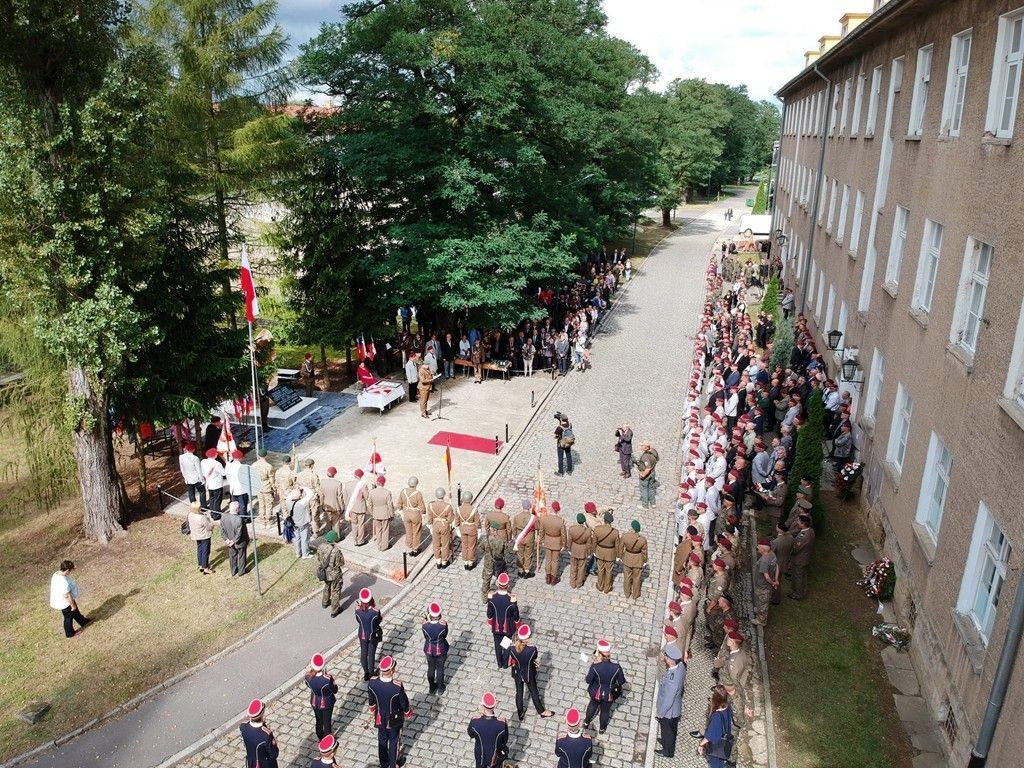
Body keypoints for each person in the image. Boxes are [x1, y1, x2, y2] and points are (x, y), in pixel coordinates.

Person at [367, 655, 412, 768]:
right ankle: (392, 765)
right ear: (392, 671)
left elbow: (371, 701)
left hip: (379, 716)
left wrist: (372, 709)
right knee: (394, 741)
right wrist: (407, 712)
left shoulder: (372, 682)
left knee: (382, 740)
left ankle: (384, 763)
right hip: (394, 718)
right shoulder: (397, 687)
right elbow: (403, 702)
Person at [508, 624, 554, 721]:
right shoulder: (532, 649)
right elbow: (534, 657)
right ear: (527, 638)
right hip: (528, 672)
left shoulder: (512, 648)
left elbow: (510, 655)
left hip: (517, 672)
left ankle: (520, 712)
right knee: (534, 692)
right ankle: (541, 711)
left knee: (519, 692)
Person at [584, 639, 626, 733]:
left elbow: (588, 680)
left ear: (599, 654)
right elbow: (621, 681)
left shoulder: (595, 667)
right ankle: (602, 729)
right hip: (609, 694)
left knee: (592, 706)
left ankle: (586, 723)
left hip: (595, 692)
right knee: (605, 711)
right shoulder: (616, 667)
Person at [655, 643, 686, 757]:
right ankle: (665, 742)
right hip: (674, 708)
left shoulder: (673, 678)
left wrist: (661, 712)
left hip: (669, 711)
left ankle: (667, 752)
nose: (665, 658)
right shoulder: (680, 666)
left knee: (668, 731)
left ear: (671, 661)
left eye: (666, 657)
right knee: (669, 730)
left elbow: (669, 698)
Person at [485, 572, 519, 669]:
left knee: (497, 645)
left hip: (496, 626)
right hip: (508, 627)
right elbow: (516, 616)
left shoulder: (492, 597)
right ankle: (505, 663)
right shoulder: (511, 599)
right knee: (506, 645)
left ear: (497, 584)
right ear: (508, 585)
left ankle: (499, 663)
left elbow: (489, 614)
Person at [467, 691, 509, 768]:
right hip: (495, 755)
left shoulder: (475, 722)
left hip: (481, 754)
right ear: (494, 706)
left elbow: (470, 734)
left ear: (483, 705)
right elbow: (505, 740)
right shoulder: (502, 724)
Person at [50, 560, 89, 638]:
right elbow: (67, 596)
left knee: (75, 612)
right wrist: (72, 605)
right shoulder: (63, 582)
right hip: (64, 602)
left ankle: (83, 621)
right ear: (67, 570)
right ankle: (69, 633)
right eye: (70, 570)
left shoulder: (57, 573)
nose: (70, 572)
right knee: (68, 617)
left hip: (62, 598)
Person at [699, 685, 735, 768]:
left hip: (716, 746)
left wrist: (701, 745)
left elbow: (710, 736)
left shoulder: (716, 716)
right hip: (724, 742)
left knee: (716, 765)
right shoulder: (727, 707)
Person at [305, 653, 338, 740]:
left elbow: (308, 685)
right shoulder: (327, 679)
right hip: (327, 702)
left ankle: (320, 738)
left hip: (315, 701)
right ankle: (327, 741)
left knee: (319, 721)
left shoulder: (307, 676)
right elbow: (335, 690)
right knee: (327, 723)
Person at [240, 698, 279, 768]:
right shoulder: (266, 735)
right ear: (261, 715)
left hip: (251, 763)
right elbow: (274, 754)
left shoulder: (243, 726)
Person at [314, 531, 345, 616]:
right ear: (334, 540)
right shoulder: (336, 551)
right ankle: (335, 611)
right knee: (336, 591)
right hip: (335, 574)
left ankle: (325, 602)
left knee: (327, 586)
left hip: (325, 572)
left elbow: (319, 559)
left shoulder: (320, 547)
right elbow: (341, 563)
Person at [355, 588, 383, 680]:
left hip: (362, 634)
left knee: (363, 653)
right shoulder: (375, 612)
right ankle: (371, 673)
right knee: (371, 654)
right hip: (372, 635)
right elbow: (378, 621)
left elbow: (358, 620)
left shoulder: (357, 610)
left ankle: (366, 673)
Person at [422, 601, 449, 693]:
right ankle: (441, 688)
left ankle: (431, 687)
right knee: (440, 668)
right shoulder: (443, 625)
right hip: (441, 649)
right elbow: (445, 635)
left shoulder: (425, 626)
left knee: (431, 668)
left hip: (429, 649)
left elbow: (425, 637)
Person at [789, 514, 815, 599]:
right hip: (806, 558)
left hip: (799, 560)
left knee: (798, 577)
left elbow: (795, 549)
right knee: (803, 576)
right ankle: (803, 591)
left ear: (803, 524)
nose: (797, 523)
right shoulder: (811, 531)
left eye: (799, 522)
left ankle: (797, 594)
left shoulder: (802, 536)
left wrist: (789, 551)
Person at [592, 511, 619, 594]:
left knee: (600, 569)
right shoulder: (615, 532)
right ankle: (607, 587)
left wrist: (594, 551)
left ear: (604, 520)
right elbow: (617, 545)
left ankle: (600, 586)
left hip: (600, 551)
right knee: (609, 570)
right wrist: (618, 555)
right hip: (610, 553)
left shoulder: (597, 529)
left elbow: (594, 542)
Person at [428, 487, 455, 569]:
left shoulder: (431, 505)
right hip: (444, 525)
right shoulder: (448, 506)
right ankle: (444, 562)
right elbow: (450, 519)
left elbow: (429, 518)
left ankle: (438, 561)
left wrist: (430, 526)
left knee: (436, 544)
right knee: (445, 544)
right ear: (443, 495)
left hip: (435, 525)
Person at [398, 476, 426, 556]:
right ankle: (415, 549)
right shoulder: (418, 494)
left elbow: (399, 504)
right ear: (416, 484)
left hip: (406, 513)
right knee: (416, 531)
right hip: (415, 514)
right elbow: (422, 507)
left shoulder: (403, 491)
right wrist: (423, 513)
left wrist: (401, 510)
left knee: (408, 531)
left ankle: (409, 544)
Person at [220, 501, 250, 576]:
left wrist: (226, 540)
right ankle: (241, 571)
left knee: (232, 556)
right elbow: (239, 533)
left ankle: (233, 571)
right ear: (237, 509)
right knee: (242, 556)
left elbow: (222, 530)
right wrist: (233, 541)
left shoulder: (224, 517)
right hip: (240, 542)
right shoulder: (239, 519)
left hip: (229, 541)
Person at [539, 503, 567, 585]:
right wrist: (564, 544)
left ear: (551, 509)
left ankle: (548, 577)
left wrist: (542, 540)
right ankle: (553, 578)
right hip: (557, 543)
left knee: (548, 560)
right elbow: (564, 534)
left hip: (547, 541)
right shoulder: (560, 521)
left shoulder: (545, 519)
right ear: (558, 510)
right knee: (555, 561)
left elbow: (541, 531)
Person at [620, 520, 648, 599]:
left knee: (627, 577)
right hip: (638, 560)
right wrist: (645, 561)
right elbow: (644, 552)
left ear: (632, 528)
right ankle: (635, 594)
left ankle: (627, 593)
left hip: (627, 558)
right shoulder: (642, 540)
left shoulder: (625, 536)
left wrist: (621, 556)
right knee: (637, 578)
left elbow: (621, 547)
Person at [753, 538, 778, 625]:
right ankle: (759, 610)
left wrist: (772, 583)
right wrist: (776, 579)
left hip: (762, 585)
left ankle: (761, 620)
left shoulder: (764, 560)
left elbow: (766, 577)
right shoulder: (772, 554)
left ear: (763, 550)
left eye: (758, 548)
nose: (757, 549)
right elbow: (777, 566)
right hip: (767, 584)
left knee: (763, 602)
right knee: (761, 601)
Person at [567, 512, 594, 589]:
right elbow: (589, 544)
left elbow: (569, 541)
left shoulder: (572, 529)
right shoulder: (588, 531)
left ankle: (572, 582)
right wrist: (589, 553)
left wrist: (569, 549)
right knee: (581, 568)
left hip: (574, 549)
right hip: (583, 551)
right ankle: (579, 583)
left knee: (573, 567)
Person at [368, 475, 395, 551]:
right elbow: (390, 505)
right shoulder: (387, 492)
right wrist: (392, 514)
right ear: (384, 483)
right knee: (385, 530)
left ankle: (379, 545)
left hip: (376, 513)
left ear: (377, 482)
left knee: (378, 530)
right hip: (385, 513)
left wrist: (371, 513)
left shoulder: (371, 492)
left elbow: (369, 504)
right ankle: (385, 546)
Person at [511, 499, 537, 578]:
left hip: (520, 538)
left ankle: (520, 570)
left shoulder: (517, 517)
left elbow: (514, 528)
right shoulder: (533, 518)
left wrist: (516, 537)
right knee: (528, 554)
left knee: (520, 554)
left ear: (522, 507)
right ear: (529, 507)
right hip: (530, 538)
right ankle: (527, 571)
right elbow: (537, 527)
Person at [286, 486, 314, 559]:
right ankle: (305, 554)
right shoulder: (302, 502)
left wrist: (295, 490)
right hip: (303, 523)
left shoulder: (288, 501)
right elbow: (311, 493)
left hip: (294, 523)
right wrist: (304, 488)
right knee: (305, 539)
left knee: (296, 539)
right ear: (300, 495)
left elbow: (289, 496)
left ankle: (298, 553)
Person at [187, 501, 215, 574]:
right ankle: (205, 568)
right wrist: (211, 523)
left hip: (196, 535)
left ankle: (200, 565)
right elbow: (209, 527)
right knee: (205, 551)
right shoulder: (201, 517)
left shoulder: (190, 514)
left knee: (200, 549)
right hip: (204, 536)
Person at [345, 468, 370, 545]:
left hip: (351, 507)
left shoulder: (348, 484)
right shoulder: (363, 485)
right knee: (361, 524)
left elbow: (345, 497)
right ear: (361, 476)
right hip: (360, 508)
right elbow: (366, 497)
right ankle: (360, 540)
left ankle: (355, 540)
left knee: (354, 524)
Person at [456, 492, 481, 570]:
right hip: (472, 530)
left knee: (464, 546)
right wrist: (479, 530)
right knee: (471, 546)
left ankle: (465, 562)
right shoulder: (474, 509)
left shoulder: (458, 509)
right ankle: (470, 563)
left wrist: (457, 529)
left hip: (463, 529)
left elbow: (456, 522)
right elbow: (477, 522)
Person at [226, 449, 251, 521]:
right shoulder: (243, 467)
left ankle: (235, 517)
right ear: (240, 458)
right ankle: (243, 519)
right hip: (241, 489)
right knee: (243, 505)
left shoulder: (228, 466)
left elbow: (228, 477)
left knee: (235, 504)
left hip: (233, 488)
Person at [253, 449, 277, 528]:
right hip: (266, 486)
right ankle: (268, 521)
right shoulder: (268, 466)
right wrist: (274, 488)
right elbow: (271, 479)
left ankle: (262, 522)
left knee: (261, 504)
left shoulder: (254, 465)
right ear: (266, 456)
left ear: (258, 456)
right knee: (268, 504)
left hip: (258, 487)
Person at [178, 442, 206, 507]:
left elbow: (182, 469)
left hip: (188, 478)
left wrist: (185, 477)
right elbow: (199, 470)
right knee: (202, 492)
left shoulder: (181, 457)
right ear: (193, 449)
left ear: (186, 449)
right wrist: (202, 479)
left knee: (191, 493)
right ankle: (204, 506)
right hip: (197, 478)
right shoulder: (195, 458)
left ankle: (194, 506)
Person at [201, 447, 226, 515]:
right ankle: (216, 514)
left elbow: (203, 472)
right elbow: (223, 473)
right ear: (215, 455)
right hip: (217, 484)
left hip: (209, 483)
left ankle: (212, 511)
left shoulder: (203, 462)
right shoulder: (217, 464)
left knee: (212, 498)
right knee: (217, 500)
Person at [634, 440, 659, 508]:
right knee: (651, 488)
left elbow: (648, 468)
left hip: (647, 474)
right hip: (653, 473)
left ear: (646, 448)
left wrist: (643, 475)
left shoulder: (645, 456)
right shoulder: (654, 451)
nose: (641, 447)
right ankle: (653, 503)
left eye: (642, 446)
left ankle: (645, 505)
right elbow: (657, 459)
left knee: (644, 489)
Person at [321, 466, 344, 537]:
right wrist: (342, 507)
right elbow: (339, 497)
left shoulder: (322, 482)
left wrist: (322, 504)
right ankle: (336, 537)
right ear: (335, 474)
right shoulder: (338, 483)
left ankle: (329, 536)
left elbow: (321, 494)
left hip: (326, 505)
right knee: (336, 523)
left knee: (328, 522)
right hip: (335, 506)